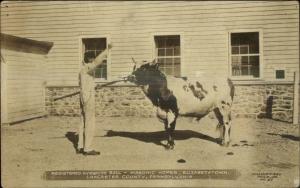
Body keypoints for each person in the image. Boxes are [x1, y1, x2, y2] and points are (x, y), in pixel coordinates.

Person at [76, 44, 112, 155]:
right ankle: (87, 148)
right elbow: (97, 62)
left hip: (83, 97)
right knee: (90, 122)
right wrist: (107, 50)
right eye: (92, 58)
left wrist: (94, 86)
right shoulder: (87, 68)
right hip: (87, 98)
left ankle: (80, 146)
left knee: (83, 122)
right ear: (90, 59)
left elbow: (85, 84)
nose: (94, 61)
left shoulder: (82, 70)